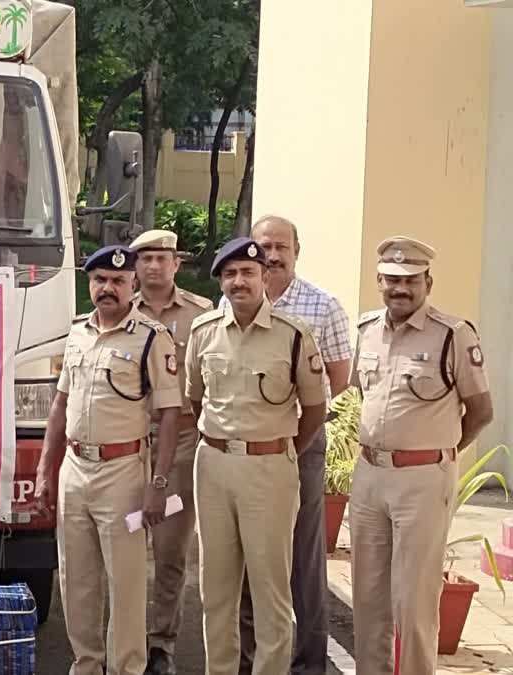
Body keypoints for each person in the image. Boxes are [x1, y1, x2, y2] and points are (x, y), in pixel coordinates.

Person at [34, 245, 181, 675]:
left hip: (124, 473)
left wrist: (158, 484)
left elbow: (171, 413)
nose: (107, 289)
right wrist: (45, 470)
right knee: (76, 581)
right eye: (99, 280)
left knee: (126, 582)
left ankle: (126, 669)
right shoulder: (78, 332)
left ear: (132, 285)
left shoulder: (151, 337)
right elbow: (60, 406)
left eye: (118, 281)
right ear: (90, 284)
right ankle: (86, 665)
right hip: (75, 470)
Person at [350, 236, 493, 674]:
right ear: (379, 281)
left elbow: (481, 411)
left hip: (423, 481)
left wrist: (439, 453)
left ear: (427, 281)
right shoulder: (365, 330)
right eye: (392, 280)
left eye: (411, 280)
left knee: (413, 602)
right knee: (367, 599)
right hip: (369, 476)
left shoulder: (453, 334)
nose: (401, 288)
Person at [186, 237, 327, 675]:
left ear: (266, 278)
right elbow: (196, 399)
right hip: (213, 466)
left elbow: (315, 408)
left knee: (270, 590)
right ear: (222, 282)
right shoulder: (202, 332)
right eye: (229, 274)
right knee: (217, 588)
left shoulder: (293, 336)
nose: (238, 281)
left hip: (270, 470)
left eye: (248, 272)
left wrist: (281, 448)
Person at [222, 216, 352, 675]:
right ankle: (250, 660)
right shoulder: (233, 298)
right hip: (242, 451)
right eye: (264, 246)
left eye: (281, 246)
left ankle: (308, 664)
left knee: (303, 555)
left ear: (297, 251)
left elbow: (336, 381)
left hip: (302, 443)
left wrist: (293, 437)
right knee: (244, 558)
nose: (272, 255)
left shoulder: (323, 306)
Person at [127, 229, 213, 675]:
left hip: (179, 446)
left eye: (162, 257)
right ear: (135, 266)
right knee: (121, 548)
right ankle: (123, 640)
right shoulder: (119, 310)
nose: (154, 265)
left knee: (170, 551)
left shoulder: (202, 315)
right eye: (145, 258)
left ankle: (161, 644)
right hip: (126, 448)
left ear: (176, 264)